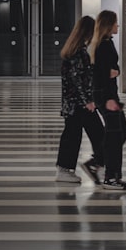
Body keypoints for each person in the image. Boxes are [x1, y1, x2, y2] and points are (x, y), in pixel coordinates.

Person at [55, 15, 105, 184]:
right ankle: (96, 165)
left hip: (72, 105)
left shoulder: (72, 51)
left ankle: (65, 170)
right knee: (99, 135)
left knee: (71, 136)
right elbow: (77, 80)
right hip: (80, 105)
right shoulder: (79, 53)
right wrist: (87, 101)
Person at [91, 9, 126, 190]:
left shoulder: (106, 43)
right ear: (108, 24)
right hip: (107, 96)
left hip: (109, 94)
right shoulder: (103, 45)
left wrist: (116, 71)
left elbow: (112, 69)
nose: (118, 25)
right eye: (115, 22)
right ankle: (111, 177)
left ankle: (97, 162)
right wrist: (108, 98)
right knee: (116, 134)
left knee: (121, 132)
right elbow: (100, 74)